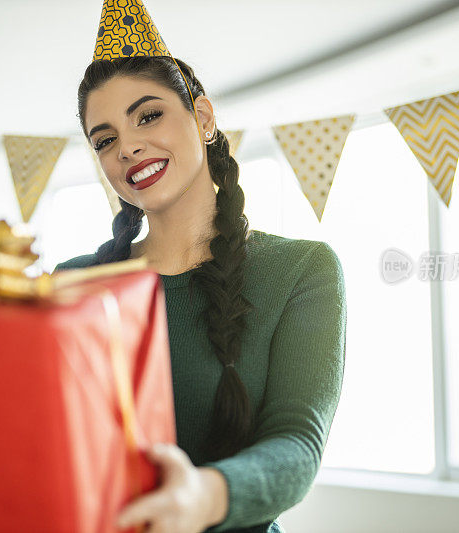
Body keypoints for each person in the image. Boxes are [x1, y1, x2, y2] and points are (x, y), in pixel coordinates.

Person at [55, 2, 347, 532]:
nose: (129, 146)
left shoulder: (303, 269)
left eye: (148, 115)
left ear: (203, 117)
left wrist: (203, 499)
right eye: (105, 139)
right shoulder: (74, 283)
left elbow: (298, 443)